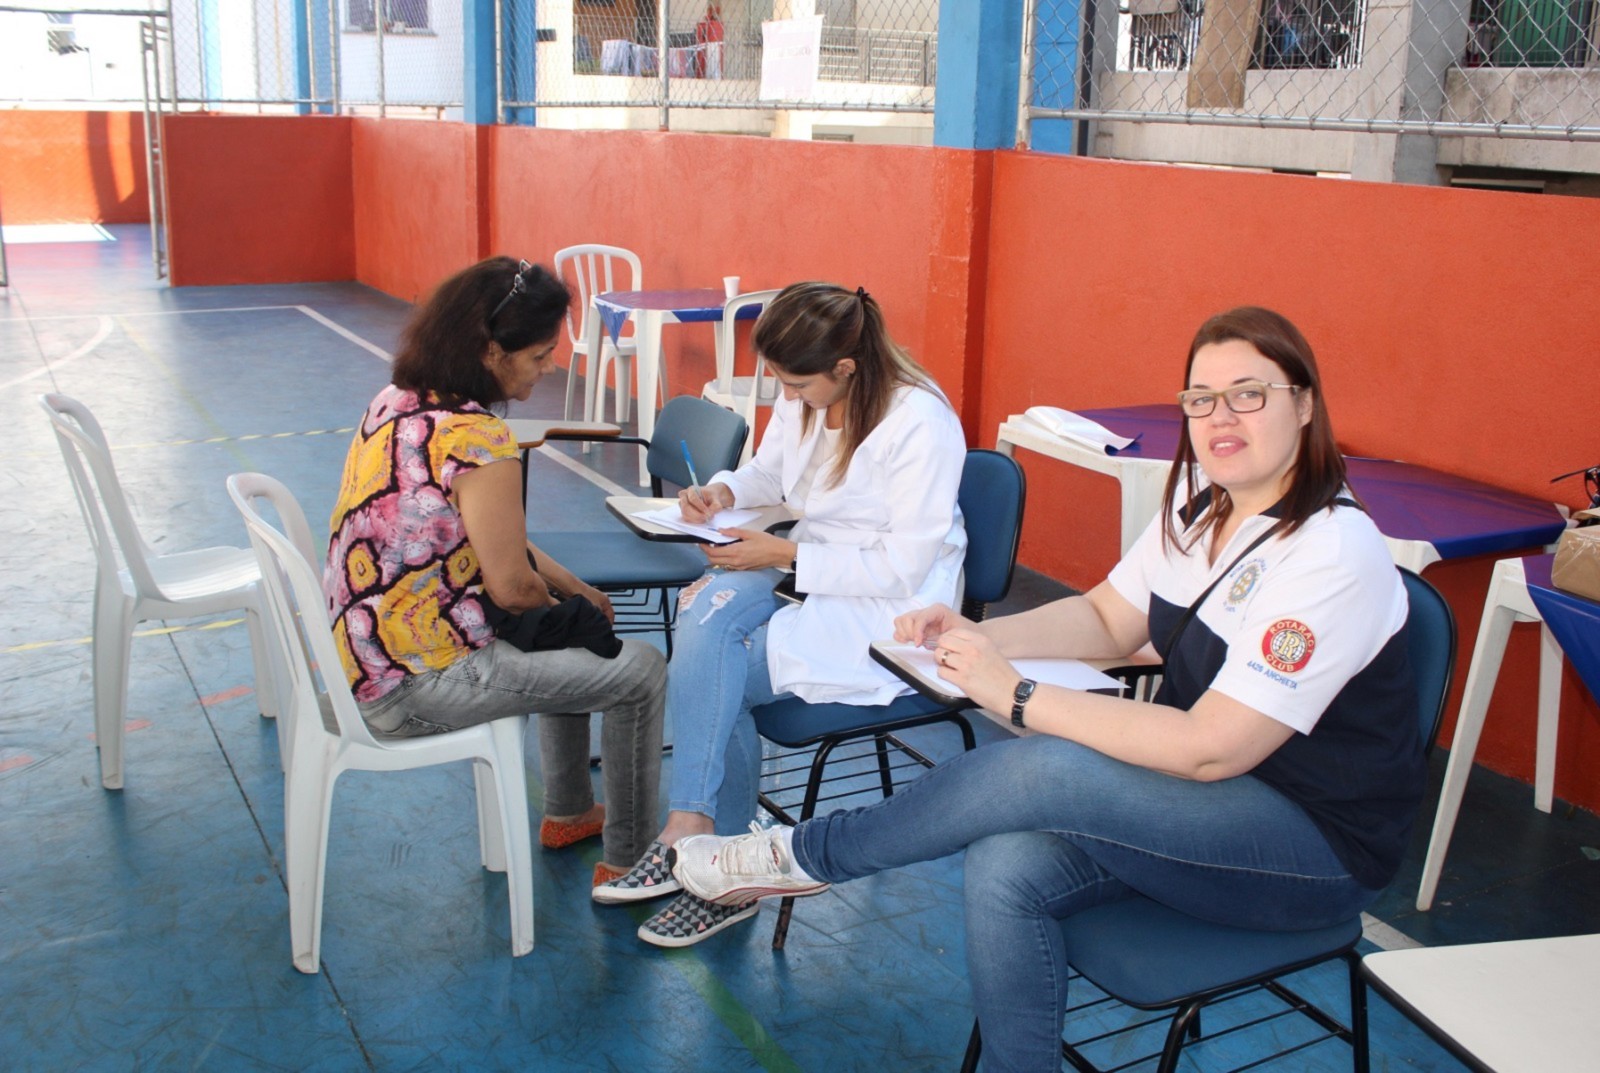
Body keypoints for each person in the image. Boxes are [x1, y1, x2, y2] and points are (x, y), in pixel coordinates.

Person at [670, 307, 1425, 1073]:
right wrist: (980, 634)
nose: (1220, 417)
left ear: (1305, 403)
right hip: (1198, 809)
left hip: (1313, 846)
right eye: (1201, 398)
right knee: (1007, 863)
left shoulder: (1332, 553)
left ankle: (801, 855)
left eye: (1248, 394)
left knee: (1045, 766)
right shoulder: (1203, 501)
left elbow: (1210, 749)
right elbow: (1106, 618)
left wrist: (1017, 695)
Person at [592, 281, 968, 947]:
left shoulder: (921, 423)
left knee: (721, 678)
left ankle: (721, 871)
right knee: (704, 613)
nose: (784, 395)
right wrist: (721, 491)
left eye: (794, 384)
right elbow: (769, 475)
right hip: (809, 562)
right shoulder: (808, 394)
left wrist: (785, 554)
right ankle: (694, 833)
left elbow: (902, 567)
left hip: (891, 604)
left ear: (845, 367)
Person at [324, 256, 667, 884]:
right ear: (490, 351)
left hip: (362, 663)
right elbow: (511, 587)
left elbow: (488, 536)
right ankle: (631, 859)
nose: (548, 368)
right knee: (639, 671)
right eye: (539, 355)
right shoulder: (479, 439)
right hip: (414, 688)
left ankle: (569, 812)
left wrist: (573, 589)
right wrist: (568, 612)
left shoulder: (397, 402)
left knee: (568, 631)